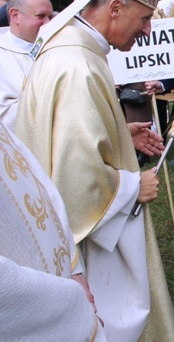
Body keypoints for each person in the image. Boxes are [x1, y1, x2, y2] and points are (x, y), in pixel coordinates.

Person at [15, 0, 174, 342]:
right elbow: (76, 175)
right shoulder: (78, 65)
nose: (147, 31)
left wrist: (122, 133)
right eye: (144, 19)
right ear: (115, 8)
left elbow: (64, 134)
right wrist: (131, 185)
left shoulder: (74, 48)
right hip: (88, 242)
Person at [0, 121, 106, 342]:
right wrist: (72, 310)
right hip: (45, 307)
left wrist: (70, 261)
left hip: (59, 276)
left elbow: (23, 167)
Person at [0, 0, 53, 130]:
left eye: (51, 17)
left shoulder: (57, 49)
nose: (47, 23)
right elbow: (5, 119)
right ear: (15, 15)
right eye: (40, 16)